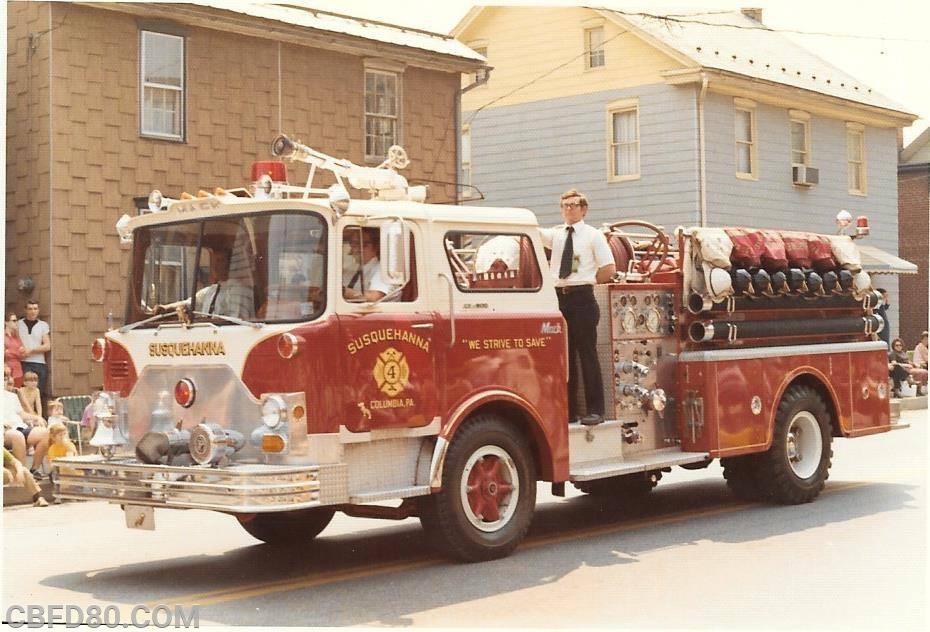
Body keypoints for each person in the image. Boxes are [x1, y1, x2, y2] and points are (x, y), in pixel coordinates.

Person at [539, 189, 616, 425]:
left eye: (573, 205)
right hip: (559, 298)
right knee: (565, 357)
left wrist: (588, 280)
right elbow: (533, 232)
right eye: (564, 206)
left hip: (582, 298)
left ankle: (595, 410)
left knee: (587, 355)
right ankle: (569, 410)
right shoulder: (556, 235)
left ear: (583, 209)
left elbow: (609, 269)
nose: (568, 209)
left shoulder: (593, 236)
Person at [156, 249, 254, 319]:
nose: (215, 265)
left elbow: (235, 322)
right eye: (214, 261)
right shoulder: (211, 290)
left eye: (220, 261)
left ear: (231, 264)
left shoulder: (239, 290)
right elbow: (189, 303)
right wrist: (165, 308)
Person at [3, 365, 50, 478]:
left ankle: (34, 469)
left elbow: (22, 414)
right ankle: (23, 474)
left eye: (5, 379)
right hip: (5, 430)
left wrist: (36, 418)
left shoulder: (11, 396)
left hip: (19, 426)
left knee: (46, 433)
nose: (5, 382)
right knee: (17, 436)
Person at [342, 228, 396, 302]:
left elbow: (374, 297)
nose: (358, 249)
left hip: (377, 312)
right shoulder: (353, 269)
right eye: (354, 244)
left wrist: (342, 291)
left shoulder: (383, 270)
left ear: (376, 246)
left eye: (364, 245)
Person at [18, 300, 51, 401]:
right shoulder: (18, 324)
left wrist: (30, 351)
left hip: (39, 363)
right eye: (30, 309)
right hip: (23, 363)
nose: (33, 311)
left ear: (38, 310)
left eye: (35, 309)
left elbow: (47, 346)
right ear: (26, 310)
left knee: (38, 394)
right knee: (23, 395)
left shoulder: (43, 325)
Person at [4, 313, 27, 387]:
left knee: (17, 391)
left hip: (18, 370)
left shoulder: (16, 337)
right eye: (14, 320)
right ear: (6, 322)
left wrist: (10, 351)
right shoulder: (3, 337)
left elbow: (24, 354)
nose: (16, 323)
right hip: (6, 369)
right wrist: (16, 352)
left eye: (17, 321)